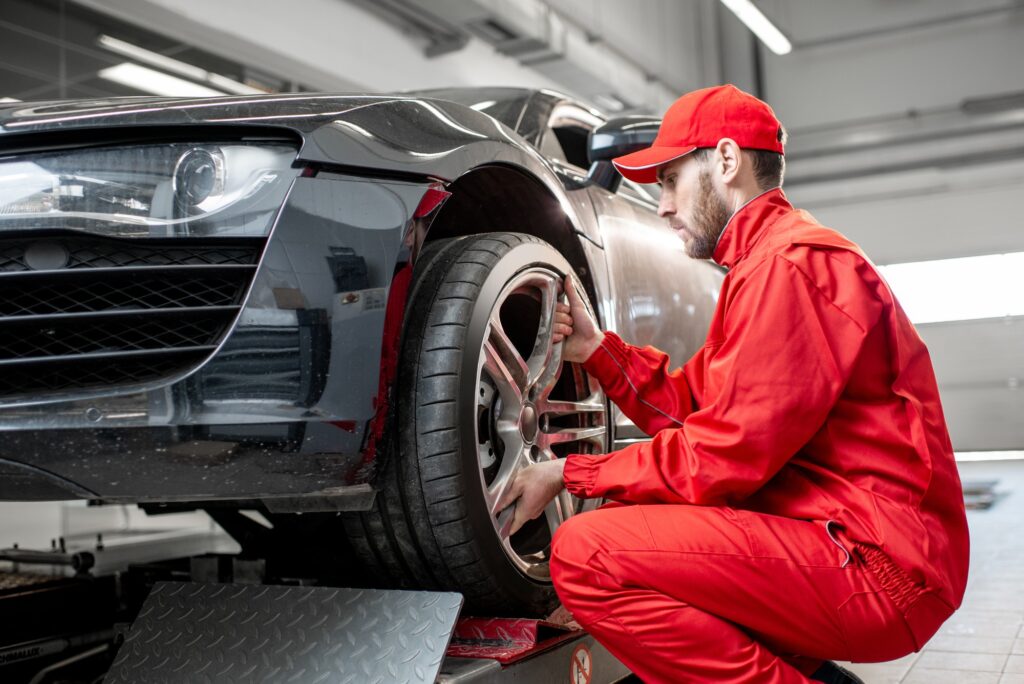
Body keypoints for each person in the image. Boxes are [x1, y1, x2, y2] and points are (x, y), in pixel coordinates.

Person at [496, 84, 970, 683]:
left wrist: (570, 473)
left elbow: (719, 457)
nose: (662, 205)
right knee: (631, 512)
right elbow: (698, 412)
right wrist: (596, 351)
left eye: (669, 181)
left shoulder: (791, 266)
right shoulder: (766, 264)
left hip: (879, 565)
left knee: (586, 553)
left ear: (725, 161)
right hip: (850, 540)